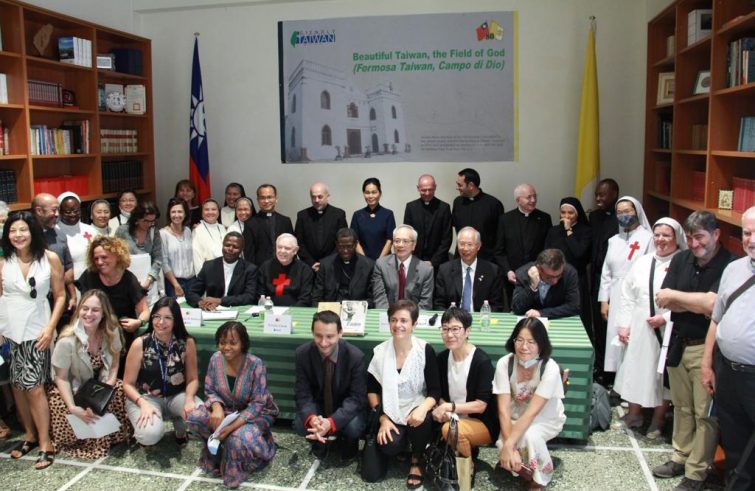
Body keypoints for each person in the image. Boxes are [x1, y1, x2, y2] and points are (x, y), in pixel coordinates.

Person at [652, 211, 735, 490]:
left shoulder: (730, 264)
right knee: (682, 407)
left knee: (705, 414)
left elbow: (713, 306)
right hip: (678, 343)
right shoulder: (681, 259)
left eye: (699, 237)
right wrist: (696, 302)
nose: (694, 244)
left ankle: (697, 472)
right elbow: (663, 299)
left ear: (716, 234)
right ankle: (680, 456)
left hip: (706, 350)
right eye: (689, 238)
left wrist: (682, 299)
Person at [0, 211, 66, 469]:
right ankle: (29, 435)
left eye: (23, 230)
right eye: (13, 230)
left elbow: (60, 296)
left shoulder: (50, 258)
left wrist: (50, 328)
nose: (18, 235)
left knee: (35, 388)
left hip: (38, 331)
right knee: (17, 385)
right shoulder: (4, 262)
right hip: (9, 332)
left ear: (33, 232)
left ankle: (45, 442)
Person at [612, 217, 686, 439]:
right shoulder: (643, 261)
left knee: (660, 374)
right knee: (635, 369)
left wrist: (665, 318)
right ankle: (634, 414)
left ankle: (658, 420)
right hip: (640, 326)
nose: (661, 239)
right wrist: (624, 325)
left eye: (666, 235)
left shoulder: (683, 263)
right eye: (657, 234)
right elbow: (627, 294)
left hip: (667, 329)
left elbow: (686, 299)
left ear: (676, 238)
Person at [701, 206, 755, 491]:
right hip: (728, 372)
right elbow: (716, 319)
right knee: (734, 441)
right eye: (747, 233)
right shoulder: (734, 268)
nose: (751, 240)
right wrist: (707, 364)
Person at [187, 321, 278, 488]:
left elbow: (258, 403)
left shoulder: (256, 364)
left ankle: (248, 456)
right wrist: (217, 407)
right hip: (227, 410)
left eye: (233, 343)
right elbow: (209, 389)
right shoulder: (215, 359)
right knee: (195, 418)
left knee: (236, 438)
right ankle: (220, 453)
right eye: (222, 342)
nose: (226, 347)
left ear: (243, 343)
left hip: (256, 414)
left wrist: (231, 427)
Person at [48, 290, 132, 458]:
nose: (88, 314)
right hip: (73, 388)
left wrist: (105, 390)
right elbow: (61, 378)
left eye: (95, 310)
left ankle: (115, 434)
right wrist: (73, 407)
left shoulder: (112, 331)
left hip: (100, 384)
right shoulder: (67, 341)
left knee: (120, 389)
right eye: (85, 308)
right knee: (63, 405)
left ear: (104, 313)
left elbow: (114, 365)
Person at [367, 300, 440, 489]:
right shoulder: (380, 352)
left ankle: (416, 460)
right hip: (390, 410)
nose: (397, 325)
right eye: (393, 320)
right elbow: (372, 390)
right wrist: (382, 418)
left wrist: (423, 408)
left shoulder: (424, 350)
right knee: (388, 446)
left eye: (404, 321)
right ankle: (403, 446)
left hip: (417, 405)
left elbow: (435, 390)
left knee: (422, 421)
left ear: (414, 325)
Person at [493, 317, 566, 489]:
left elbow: (532, 412)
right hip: (514, 416)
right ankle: (524, 468)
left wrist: (510, 446)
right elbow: (503, 410)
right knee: (506, 446)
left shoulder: (550, 368)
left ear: (541, 344)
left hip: (545, 418)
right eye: (519, 340)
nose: (524, 346)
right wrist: (509, 447)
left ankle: (538, 480)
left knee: (529, 436)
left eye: (531, 342)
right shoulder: (505, 363)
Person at [123, 296, 202, 447]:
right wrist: (142, 404)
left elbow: (192, 379)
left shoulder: (186, 342)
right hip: (146, 397)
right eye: (156, 317)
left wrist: (189, 399)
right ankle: (150, 425)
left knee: (201, 418)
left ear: (176, 320)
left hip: (177, 396)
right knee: (149, 435)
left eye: (167, 318)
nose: (160, 322)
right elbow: (127, 384)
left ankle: (177, 418)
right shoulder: (140, 343)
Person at [294, 310, 367, 460]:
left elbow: (356, 399)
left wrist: (332, 422)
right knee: (300, 424)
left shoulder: (355, 357)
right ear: (312, 332)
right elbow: (302, 394)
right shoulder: (302, 354)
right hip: (319, 407)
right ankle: (319, 440)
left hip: (344, 408)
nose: (323, 342)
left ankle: (348, 443)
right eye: (318, 336)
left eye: (330, 336)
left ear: (340, 333)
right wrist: (312, 419)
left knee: (354, 427)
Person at [432, 307, 498, 469]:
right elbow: (438, 393)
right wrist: (446, 409)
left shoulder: (481, 361)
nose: (449, 334)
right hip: (452, 416)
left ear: (467, 331)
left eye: (455, 329)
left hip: (481, 421)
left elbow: (481, 405)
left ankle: (467, 468)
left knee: (450, 430)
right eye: (445, 329)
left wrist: (450, 408)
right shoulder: (442, 358)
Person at [598, 196, 652, 375]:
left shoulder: (648, 238)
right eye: (619, 212)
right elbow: (606, 272)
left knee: (632, 337)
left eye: (627, 211)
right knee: (614, 336)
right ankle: (616, 378)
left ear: (637, 211)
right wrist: (604, 300)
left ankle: (631, 378)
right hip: (615, 293)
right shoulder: (614, 240)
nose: (623, 215)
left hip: (636, 296)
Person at [76, 235, 149, 354]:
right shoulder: (89, 276)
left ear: (117, 256)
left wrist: (138, 322)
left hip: (121, 338)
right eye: (96, 258)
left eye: (104, 257)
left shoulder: (129, 279)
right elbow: (81, 308)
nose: (99, 262)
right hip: (94, 335)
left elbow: (145, 311)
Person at [495, 183, 552, 304]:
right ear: (518, 200)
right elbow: (499, 251)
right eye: (529, 197)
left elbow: (548, 249)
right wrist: (508, 271)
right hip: (513, 277)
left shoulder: (544, 218)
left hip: (539, 275)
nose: (533, 200)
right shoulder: (505, 219)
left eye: (535, 196)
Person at [545, 197, 593, 332]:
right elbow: (546, 254)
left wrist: (569, 231)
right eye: (563, 212)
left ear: (577, 214)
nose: (566, 216)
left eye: (570, 213)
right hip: (554, 280)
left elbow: (579, 253)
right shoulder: (553, 231)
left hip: (576, 280)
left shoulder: (586, 231)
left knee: (577, 315)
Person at [589, 178, 619, 379]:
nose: (598, 198)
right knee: (598, 326)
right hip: (596, 278)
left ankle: (611, 372)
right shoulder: (594, 217)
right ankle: (599, 366)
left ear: (614, 194)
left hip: (614, 281)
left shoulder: (622, 219)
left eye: (602, 195)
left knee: (611, 326)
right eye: (596, 195)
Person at [434, 227, 504, 312]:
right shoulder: (445, 270)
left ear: (478, 246)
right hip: (454, 318)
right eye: (462, 244)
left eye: (470, 244)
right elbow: (439, 304)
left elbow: (497, 305)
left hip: (481, 318)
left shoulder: (492, 271)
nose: (465, 248)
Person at [186, 232, 258, 310]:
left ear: (241, 249)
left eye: (235, 247)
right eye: (227, 245)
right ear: (223, 245)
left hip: (237, 310)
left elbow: (250, 297)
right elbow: (192, 292)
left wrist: (220, 301)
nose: (230, 249)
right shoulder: (209, 266)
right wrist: (200, 303)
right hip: (212, 311)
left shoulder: (250, 269)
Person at [371, 225, 434, 310]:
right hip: (388, 315)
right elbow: (380, 298)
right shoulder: (381, 265)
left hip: (414, 316)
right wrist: (389, 316)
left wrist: (410, 317)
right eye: (397, 241)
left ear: (414, 245)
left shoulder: (426, 270)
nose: (400, 245)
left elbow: (425, 304)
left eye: (405, 241)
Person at [115, 200, 163, 304]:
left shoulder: (154, 231)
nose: (149, 224)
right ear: (137, 218)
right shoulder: (123, 231)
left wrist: (149, 279)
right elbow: (116, 256)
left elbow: (158, 258)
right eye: (146, 221)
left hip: (148, 281)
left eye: (152, 221)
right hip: (127, 280)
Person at [512, 248, 581, 319]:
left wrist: (541, 313)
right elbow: (517, 309)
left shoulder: (569, 273)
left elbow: (574, 306)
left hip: (559, 319)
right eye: (549, 277)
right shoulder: (523, 273)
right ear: (539, 269)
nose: (555, 281)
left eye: (559, 276)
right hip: (531, 322)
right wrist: (532, 287)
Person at [312, 228, 374, 305]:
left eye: (349, 246)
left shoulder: (368, 266)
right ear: (336, 244)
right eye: (341, 246)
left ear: (356, 244)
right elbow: (316, 298)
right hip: (331, 309)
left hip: (357, 309)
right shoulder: (325, 265)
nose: (345, 251)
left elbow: (372, 299)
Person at [451, 168, 504, 261]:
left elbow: (500, 235)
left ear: (471, 185)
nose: (457, 188)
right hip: (461, 258)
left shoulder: (493, 204)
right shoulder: (458, 202)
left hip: (486, 259)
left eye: (460, 185)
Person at [294, 182, 348, 272]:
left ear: (328, 196)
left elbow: (342, 241)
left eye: (320, 197)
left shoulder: (339, 214)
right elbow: (299, 242)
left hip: (333, 266)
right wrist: (311, 262)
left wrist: (327, 263)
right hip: (309, 267)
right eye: (313, 197)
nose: (316, 200)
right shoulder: (302, 215)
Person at [403, 174, 452, 270]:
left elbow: (447, 239)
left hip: (439, 263)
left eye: (430, 189)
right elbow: (407, 236)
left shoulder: (444, 208)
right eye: (423, 190)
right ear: (418, 188)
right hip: (415, 261)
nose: (427, 193)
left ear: (435, 187)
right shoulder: (411, 207)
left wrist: (433, 262)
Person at [257, 233, 313, 306]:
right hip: (269, 310)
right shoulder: (265, 267)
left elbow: (305, 298)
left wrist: (290, 311)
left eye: (287, 248)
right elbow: (260, 295)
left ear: (295, 250)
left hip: (295, 310)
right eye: (279, 247)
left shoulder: (304, 270)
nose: (282, 251)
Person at [56, 192, 100, 280]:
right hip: (71, 280)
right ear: (60, 211)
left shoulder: (89, 229)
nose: (73, 214)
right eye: (68, 212)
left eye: (76, 211)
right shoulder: (55, 232)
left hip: (94, 277)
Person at [248, 184, 294, 267]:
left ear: (276, 199)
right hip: (260, 269)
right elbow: (249, 254)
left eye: (269, 197)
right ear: (258, 200)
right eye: (262, 198)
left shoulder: (285, 221)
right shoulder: (250, 223)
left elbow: (291, 247)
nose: (266, 201)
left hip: (284, 267)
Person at [350, 177, 396, 261]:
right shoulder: (357, 215)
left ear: (380, 193)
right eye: (367, 192)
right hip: (362, 262)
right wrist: (366, 262)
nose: (370, 196)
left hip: (384, 261)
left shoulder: (388, 214)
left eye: (374, 192)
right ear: (363, 194)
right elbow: (355, 241)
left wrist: (379, 262)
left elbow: (390, 241)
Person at [160, 198, 195, 298]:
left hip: (192, 281)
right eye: (173, 212)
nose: (176, 215)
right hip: (174, 283)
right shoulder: (163, 234)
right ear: (169, 214)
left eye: (180, 211)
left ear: (185, 214)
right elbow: (164, 263)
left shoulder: (188, 231)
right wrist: (175, 284)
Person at [191, 198, 226, 275]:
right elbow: (197, 257)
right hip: (208, 274)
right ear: (202, 213)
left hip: (225, 271)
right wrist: (202, 278)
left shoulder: (222, 228)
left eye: (213, 209)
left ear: (218, 212)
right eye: (206, 209)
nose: (210, 212)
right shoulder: (197, 230)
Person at [227, 197, 256, 262]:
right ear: (235, 211)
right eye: (239, 209)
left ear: (251, 210)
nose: (243, 212)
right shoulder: (232, 228)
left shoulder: (258, 224)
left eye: (246, 209)